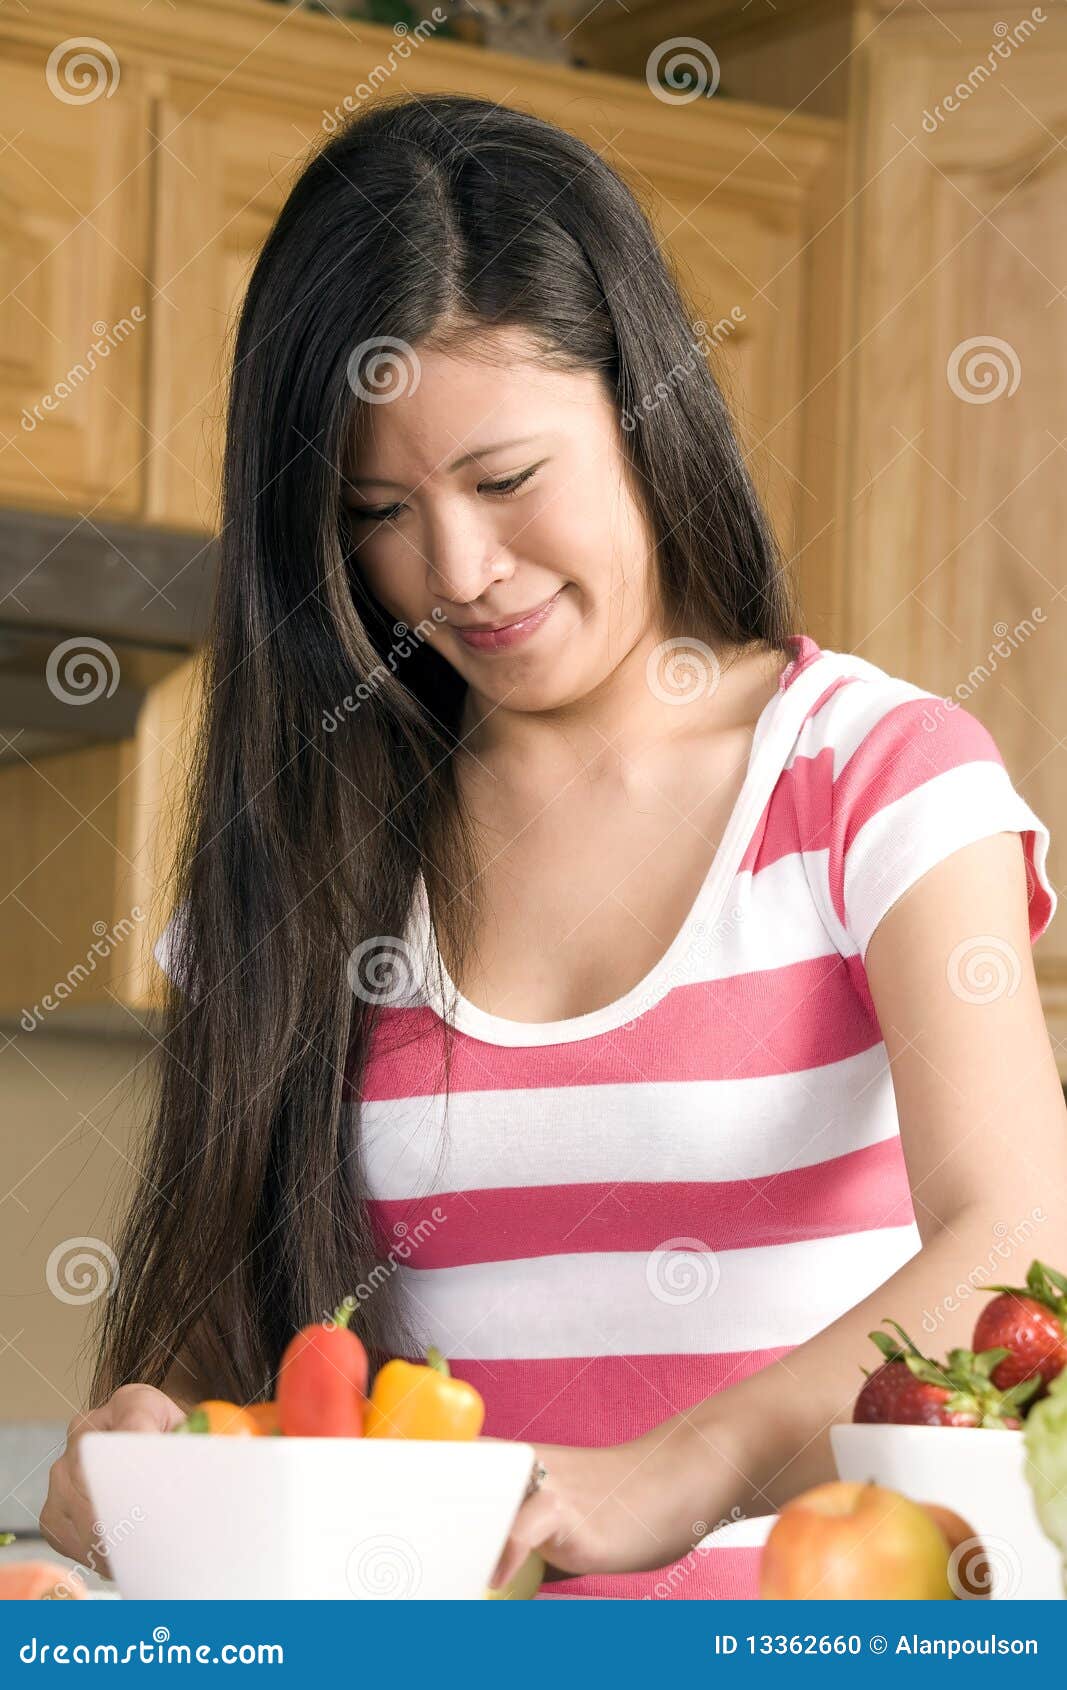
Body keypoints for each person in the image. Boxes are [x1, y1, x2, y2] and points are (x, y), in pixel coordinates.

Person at [41, 92, 1065, 1600]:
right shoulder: (316, 830)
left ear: (647, 405)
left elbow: (1022, 1237)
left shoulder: (874, 778)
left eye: (507, 480)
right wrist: (139, 1454)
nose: (457, 570)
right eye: (379, 511)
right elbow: (221, 1357)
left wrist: (684, 1467)